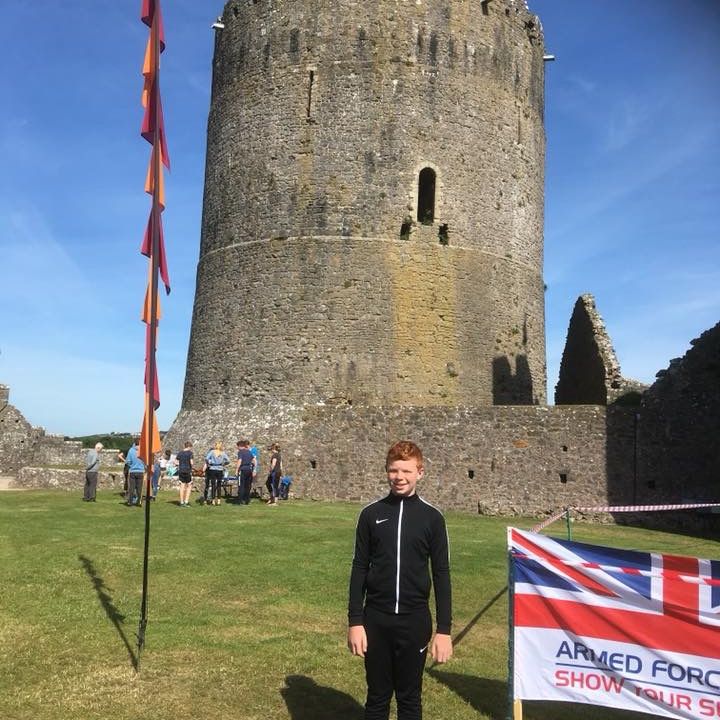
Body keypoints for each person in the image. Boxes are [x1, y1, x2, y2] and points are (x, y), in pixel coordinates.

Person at [347, 441, 452, 720]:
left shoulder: (432, 518)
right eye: (393, 470)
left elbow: (441, 574)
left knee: (409, 699)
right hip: (376, 620)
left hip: (414, 621)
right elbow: (359, 567)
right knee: (377, 697)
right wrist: (355, 622)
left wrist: (444, 630)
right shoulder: (371, 514)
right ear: (386, 471)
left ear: (420, 472)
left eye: (406, 471)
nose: (399, 477)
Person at [205, 441, 229, 506]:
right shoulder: (223, 453)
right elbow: (228, 460)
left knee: (213, 485)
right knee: (219, 485)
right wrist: (224, 464)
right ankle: (218, 501)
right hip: (220, 469)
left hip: (212, 468)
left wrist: (209, 463)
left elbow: (206, 458)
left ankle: (213, 500)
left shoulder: (212, 452)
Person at [125, 437, 146, 507]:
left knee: (131, 488)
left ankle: (130, 502)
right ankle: (139, 502)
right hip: (141, 471)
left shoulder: (131, 450)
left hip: (132, 471)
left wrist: (131, 465)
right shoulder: (143, 450)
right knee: (140, 488)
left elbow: (128, 461)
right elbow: (145, 461)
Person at [235, 439, 256, 505]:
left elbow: (240, 461)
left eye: (237, 446)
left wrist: (237, 469)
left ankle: (240, 500)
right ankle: (247, 500)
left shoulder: (240, 452)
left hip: (243, 469)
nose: (237, 448)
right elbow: (254, 460)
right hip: (249, 469)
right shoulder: (249, 452)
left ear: (240, 446)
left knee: (241, 485)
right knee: (247, 485)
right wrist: (254, 469)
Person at [176, 441, 194, 507]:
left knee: (182, 486)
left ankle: (181, 502)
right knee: (189, 485)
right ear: (189, 447)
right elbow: (191, 462)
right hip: (187, 471)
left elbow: (176, 462)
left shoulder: (180, 453)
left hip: (181, 470)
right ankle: (186, 501)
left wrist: (180, 464)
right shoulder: (190, 453)